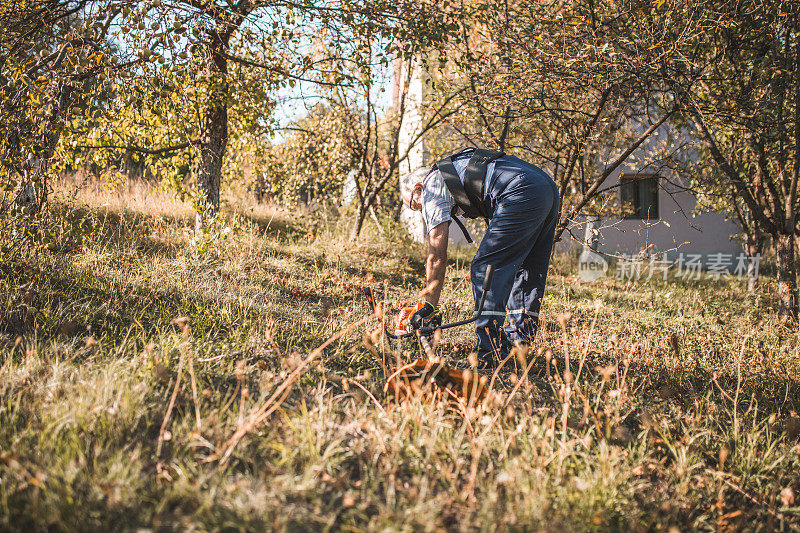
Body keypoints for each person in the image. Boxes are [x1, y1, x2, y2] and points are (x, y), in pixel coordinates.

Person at [402, 147, 559, 369]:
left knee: (485, 268)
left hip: (520, 190)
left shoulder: (432, 186)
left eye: (414, 205)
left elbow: (437, 254)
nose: (420, 212)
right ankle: (519, 345)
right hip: (546, 186)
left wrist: (429, 306)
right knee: (527, 267)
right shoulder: (453, 171)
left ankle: (490, 351)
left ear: (418, 189)